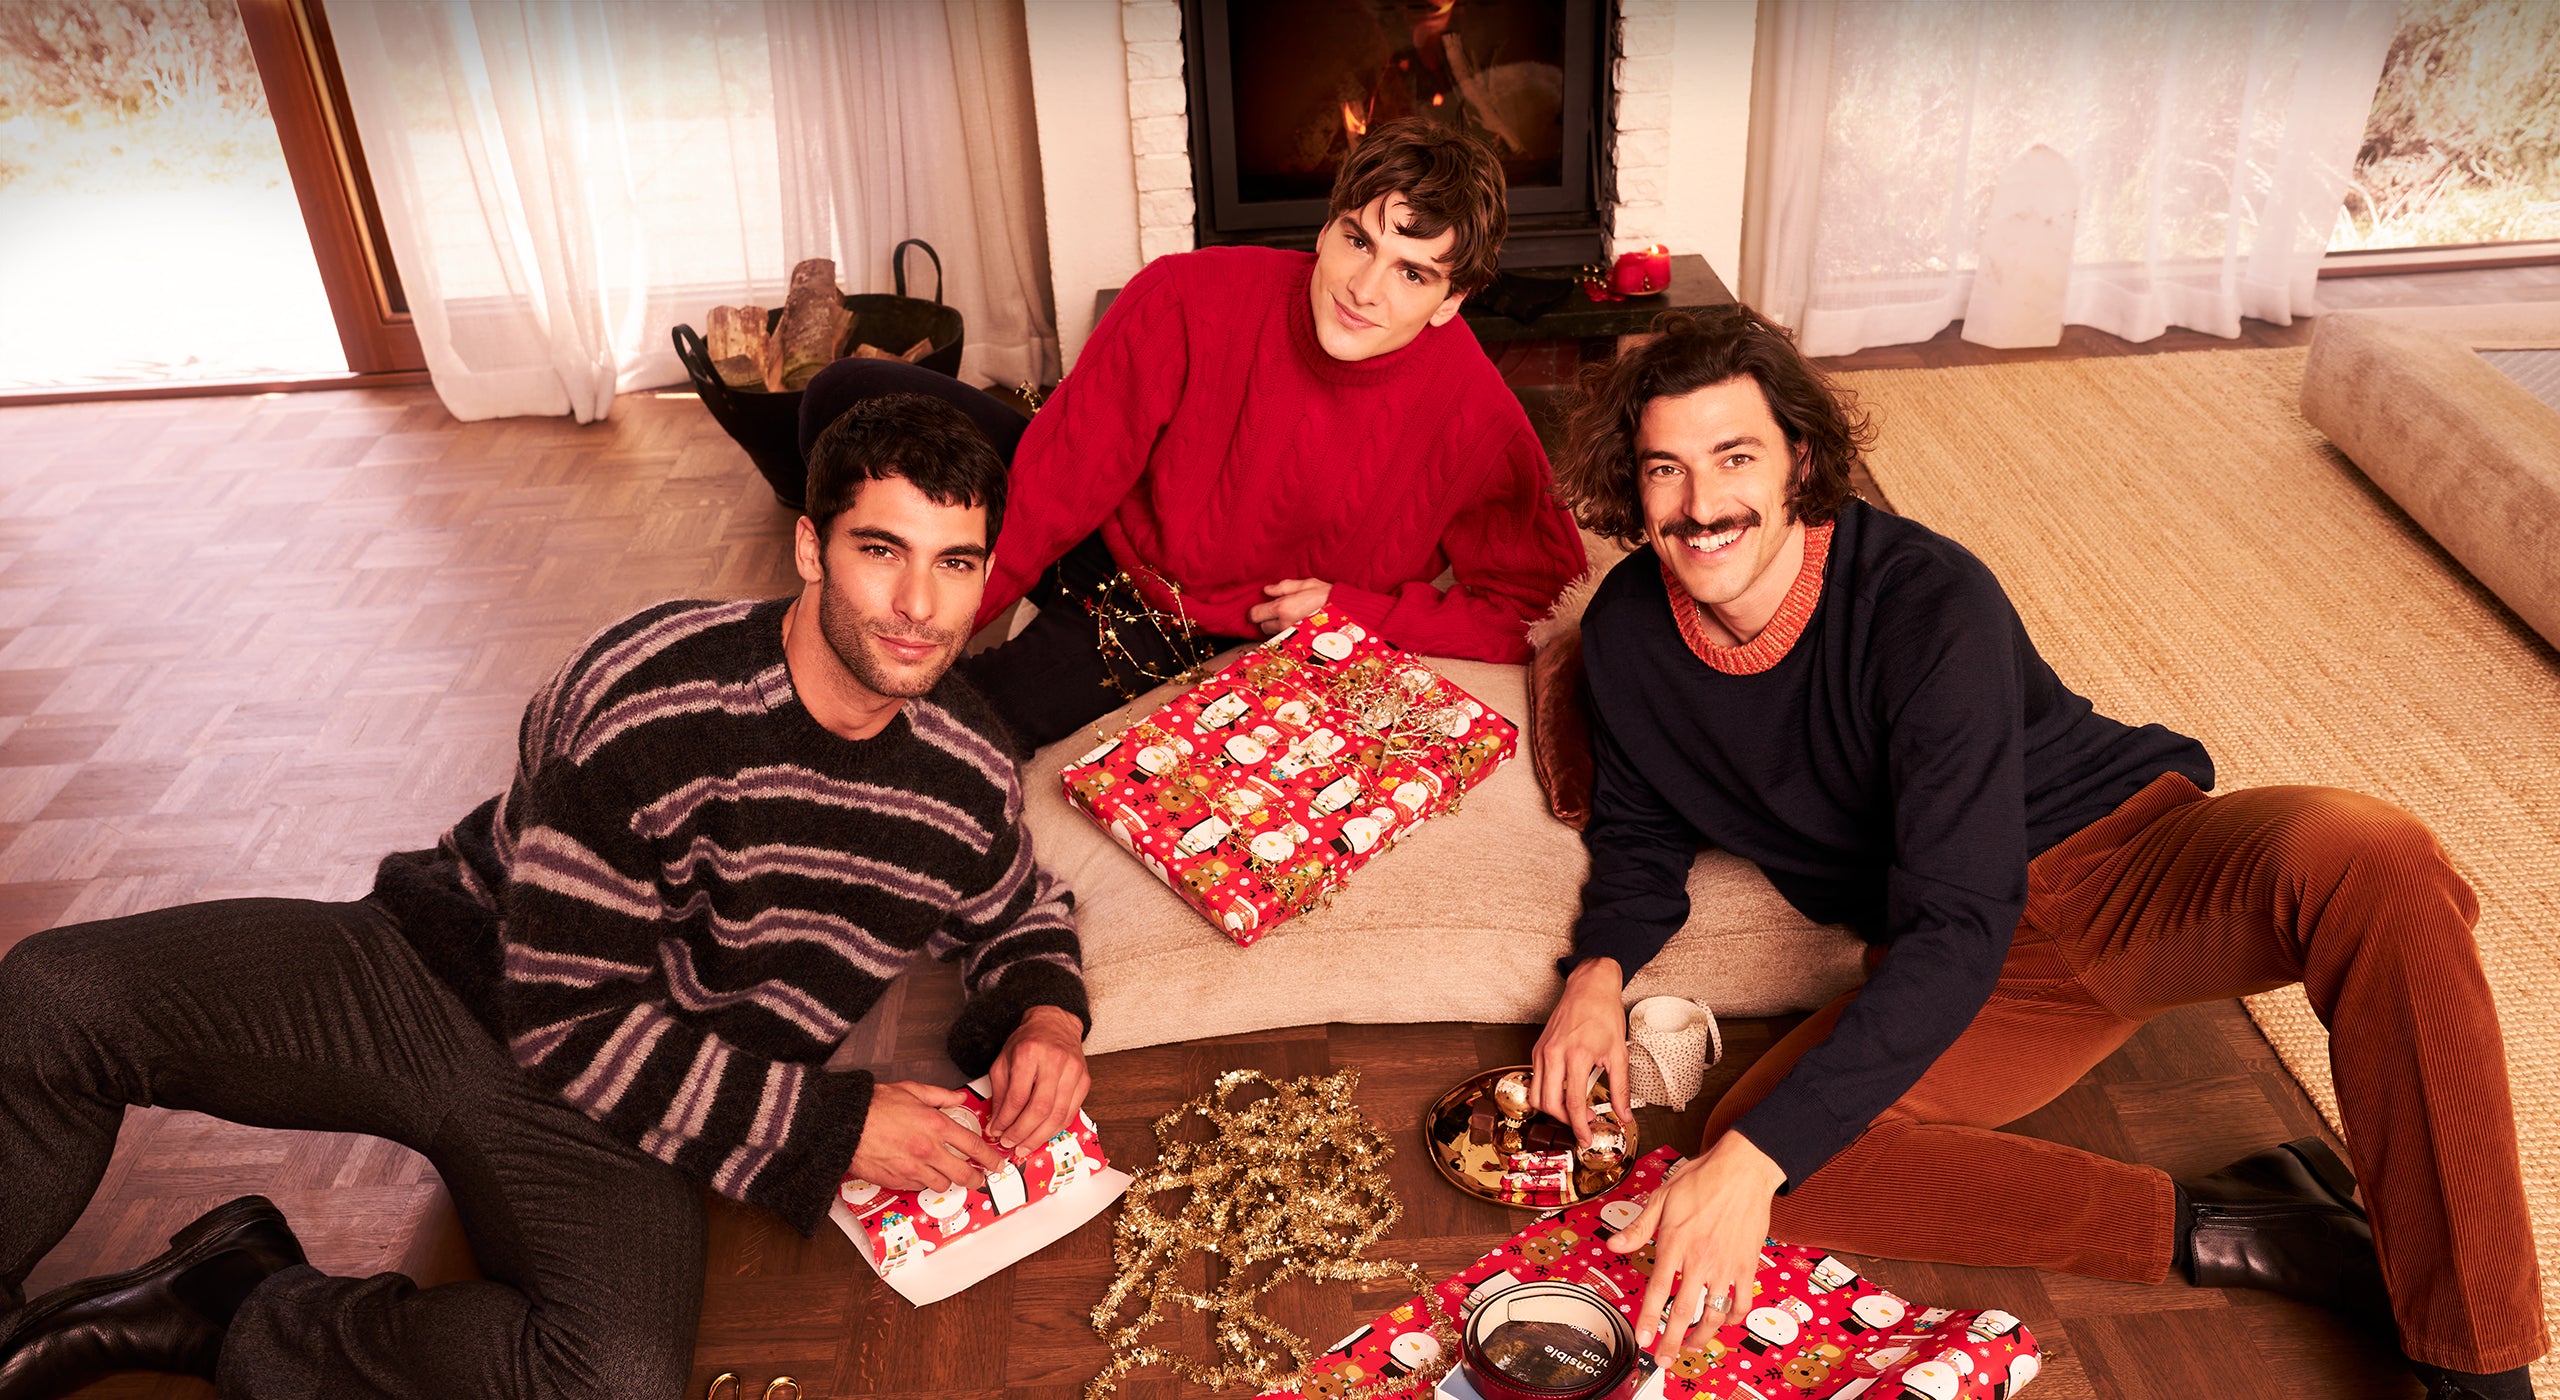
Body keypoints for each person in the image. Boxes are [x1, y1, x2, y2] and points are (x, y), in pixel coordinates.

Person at [1529, 308, 2544, 1400]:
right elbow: (1642, 826)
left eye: (1736, 457)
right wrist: (1598, 974)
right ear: (1635, 485)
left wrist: (1752, 1159)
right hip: (1992, 967)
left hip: (2133, 867)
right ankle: (2246, 1226)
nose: (1701, 504)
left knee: (2376, 859)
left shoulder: (1924, 598)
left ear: (1801, 462)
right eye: (1666, 468)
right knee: (1768, 1156)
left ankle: (2478, 1363)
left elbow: (1958, 916)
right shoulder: (1627, 632)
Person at [0, 393, 1093, 1400]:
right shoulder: (646, 697)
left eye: (954, 562)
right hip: (434, 979)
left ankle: (227, 1304)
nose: (918, 605)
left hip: (633, 1100)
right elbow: (565, 1018)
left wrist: (1044, 1013)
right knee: (53, 999)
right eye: (881, 549)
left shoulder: (966, 770)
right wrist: (829, 1122)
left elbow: (1019, 907)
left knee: (611, 1382)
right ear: (811, 546)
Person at [799, 117, 1586, 756]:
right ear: (1327, 227)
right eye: (1359, 241)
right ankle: (839, 614)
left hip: (1193, 631)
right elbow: (1057, 485)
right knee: (846, 395)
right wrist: (929, 625)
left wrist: (1354, 612)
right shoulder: (1189, 296)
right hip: (1111, 536)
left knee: (952, 733)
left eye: (1413, 273)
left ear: (1453, 300)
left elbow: (1543, 609)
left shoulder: (1478, 418)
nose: (1364, 289)